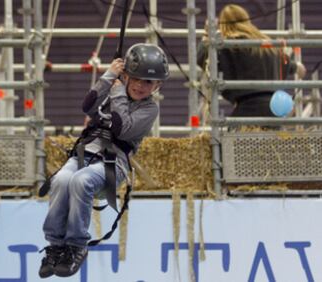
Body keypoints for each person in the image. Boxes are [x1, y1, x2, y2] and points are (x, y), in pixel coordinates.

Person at [38, 43, 169, 278]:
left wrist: (118, 91)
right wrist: (109, 76)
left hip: (113, 162)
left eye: (148, 82)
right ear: (126, 75)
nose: (140, 86)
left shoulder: (149, 109)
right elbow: (87, 106)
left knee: (81, 181)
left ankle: (77, 245)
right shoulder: (113, 89)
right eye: (136, 79)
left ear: (157, 85)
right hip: (85, 151)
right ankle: (56, 245)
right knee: (61, 180)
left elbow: (121, 129)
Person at [197, 4, 306, 117]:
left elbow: (202, 57)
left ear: (223, 23)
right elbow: (291, 65)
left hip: (246, 109)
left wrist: (207, 35)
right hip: (274, 111)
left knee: (240, 133)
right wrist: (297, 67)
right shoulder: (267, 44)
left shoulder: (227, 45)